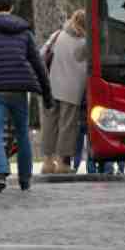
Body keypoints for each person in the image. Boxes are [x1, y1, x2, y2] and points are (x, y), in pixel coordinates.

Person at [0, 0, 54, 193]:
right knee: (23, 133)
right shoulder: (24, 32)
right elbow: (38, 64)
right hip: (19, 88)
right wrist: (47, 95)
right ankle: (25, 179)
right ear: (12, 7)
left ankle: (0, 173)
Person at [40, 10, 88, 175]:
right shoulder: (86, 42)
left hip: (51, 85)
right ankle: (62, 163)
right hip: (72, 89)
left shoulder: (57, 34)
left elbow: (41, 54)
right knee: (67, 126)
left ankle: (47, 162)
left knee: (49, 124)